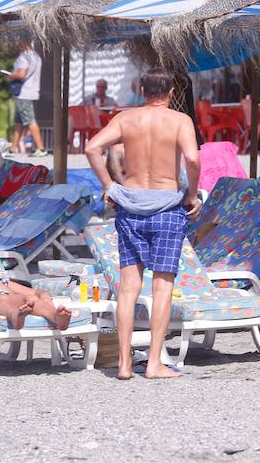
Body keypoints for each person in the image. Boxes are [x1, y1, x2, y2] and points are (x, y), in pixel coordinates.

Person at [85, 67, 201, 380]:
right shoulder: (180, 121)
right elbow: (192, 159)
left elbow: (91, 147)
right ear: (172, 93)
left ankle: (123, 364)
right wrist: (191, 194)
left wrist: (109, 185)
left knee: (128, 289)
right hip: (166, 208)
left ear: (141, 90)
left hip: (131, 207)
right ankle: (153, 363)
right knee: (162, 288)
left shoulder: (126, 118)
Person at [9, 39, 46, 157]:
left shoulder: (24, 57)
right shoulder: (36, 56)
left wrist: (10, 75)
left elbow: (21, 74)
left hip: (24, 92)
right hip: (32, 91)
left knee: (30, 121)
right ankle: (12, 149)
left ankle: (41, 148)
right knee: (19, 122)